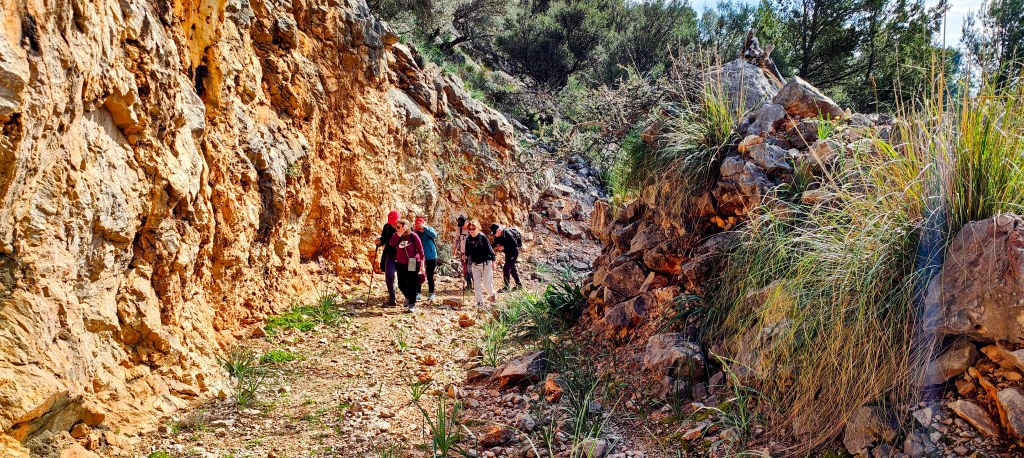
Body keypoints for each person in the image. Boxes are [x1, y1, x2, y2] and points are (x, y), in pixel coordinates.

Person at [389, 220, 425, 311]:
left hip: (413, 262)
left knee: (412, 283)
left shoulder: (413, 236)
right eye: (397, 227)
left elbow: (421, 251)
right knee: (401, 284)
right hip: (401, 263)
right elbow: (392, 244)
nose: (397, 229)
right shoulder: (396, 236)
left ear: (406, 227)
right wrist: (400, 233)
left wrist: (422, 265)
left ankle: (412, 304)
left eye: (399, 227)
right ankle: (408, 297)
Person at [462, 219, 496, 306]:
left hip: (486, 263)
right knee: (476, 285)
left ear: (478, 228)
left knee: (487, 284)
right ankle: (480, 302)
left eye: (473, 228)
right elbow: (468, 251)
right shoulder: (468, 238)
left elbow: (490, 250)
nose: (471, 231)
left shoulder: (482, 237)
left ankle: (492, 295)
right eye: (469, 229)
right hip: (475, 264)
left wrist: (493, 261)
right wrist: (464, 255)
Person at [374, 210, 400, 307]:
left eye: (394, 221)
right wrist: (379, 241)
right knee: (389, 275)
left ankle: (409, 298)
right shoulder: (387, 227)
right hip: (389, 254)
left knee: (404, 276)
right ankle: (392, 299)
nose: (393, 223)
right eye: (391, 221)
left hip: (402, 255)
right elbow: (384, 239)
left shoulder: (403, 227)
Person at [490, 223, 523, 292]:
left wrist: (504, 247)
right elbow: (494, 244)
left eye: (495, 233)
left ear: (499, 230)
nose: (494, 235)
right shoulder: (497, 235)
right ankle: (519, 285)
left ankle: (507, 287)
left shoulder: (508, 234)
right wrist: (487, 248)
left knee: (506, 269)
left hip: (513, 252)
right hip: (508, 253)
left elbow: (515, 246)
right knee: (512, 269)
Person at [413, 217, 439, 302]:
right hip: (420, 257)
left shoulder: (429, 229)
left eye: (420, 225)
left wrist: (424, 228)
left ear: (424, 223)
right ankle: (418, 294)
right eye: (417, 225)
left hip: (431, 256)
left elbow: (434, 235)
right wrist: (414, 231)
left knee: (430, 276)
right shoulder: (416, 232)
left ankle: (431, 294)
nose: (419, 227)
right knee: (418, 275)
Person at [455, 215, 473, 291]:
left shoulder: (472, 229)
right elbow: (457, 240)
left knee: (470, 268)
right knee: (465, 269)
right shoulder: (459, 229)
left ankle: (476, 284)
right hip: (463, 253)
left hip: (472, 253)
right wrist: (454, 250)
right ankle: (469, 284)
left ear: (466, 222)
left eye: (463, 225)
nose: (462, 227)